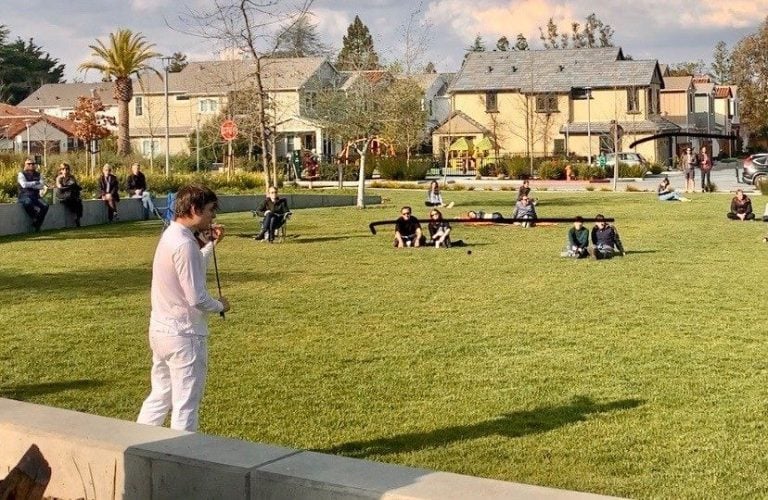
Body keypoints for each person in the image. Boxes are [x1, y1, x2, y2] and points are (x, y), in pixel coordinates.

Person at [137, 184, 230, 432]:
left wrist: (210, 246)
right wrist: (221, 305)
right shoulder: (185, 244)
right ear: (193, 209)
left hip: (161, 331)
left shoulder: (173, 235)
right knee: (186, 405)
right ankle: (181, 457)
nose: (213, 216)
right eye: (210, 210)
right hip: (184, 336)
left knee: (160, 396)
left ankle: (135, 445)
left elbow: (193, 267)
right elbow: (197, 297)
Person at [17, 158, 49, 232]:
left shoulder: (39, 174)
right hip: (24, 196)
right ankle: (36, 217)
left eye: (33, 164)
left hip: (35, 196)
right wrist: (35, 183)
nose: (31, 165)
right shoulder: (21, 174)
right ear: (25, 165)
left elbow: (41, 186)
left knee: (46, 205)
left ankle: (37, 224)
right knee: (28, 202)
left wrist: (30, 184)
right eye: (29, 164)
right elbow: (24, 185)